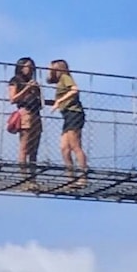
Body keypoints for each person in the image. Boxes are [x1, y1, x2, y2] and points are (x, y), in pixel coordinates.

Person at [47, 59, 88, 189]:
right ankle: (70, 178)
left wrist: (59, 102)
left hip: (74, 113)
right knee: (64, 148)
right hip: (67, 115)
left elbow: (75, 90)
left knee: (75, 146)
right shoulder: (60, 82)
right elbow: (60, 99)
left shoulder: (65, 77)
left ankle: (82, 177)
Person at [7, 57, 44, 191]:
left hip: (36, 115)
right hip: (25, 114)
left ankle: (33, 179)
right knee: (24, 148)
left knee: (34, 151)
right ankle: (24, 179)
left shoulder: (33, 82)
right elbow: (12, 99)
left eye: (32, 66)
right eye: (28, 66)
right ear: (21, 67)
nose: (31, 69)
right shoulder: (15, 80)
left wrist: (37, 91)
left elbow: (41, 103)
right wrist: (27, 89)